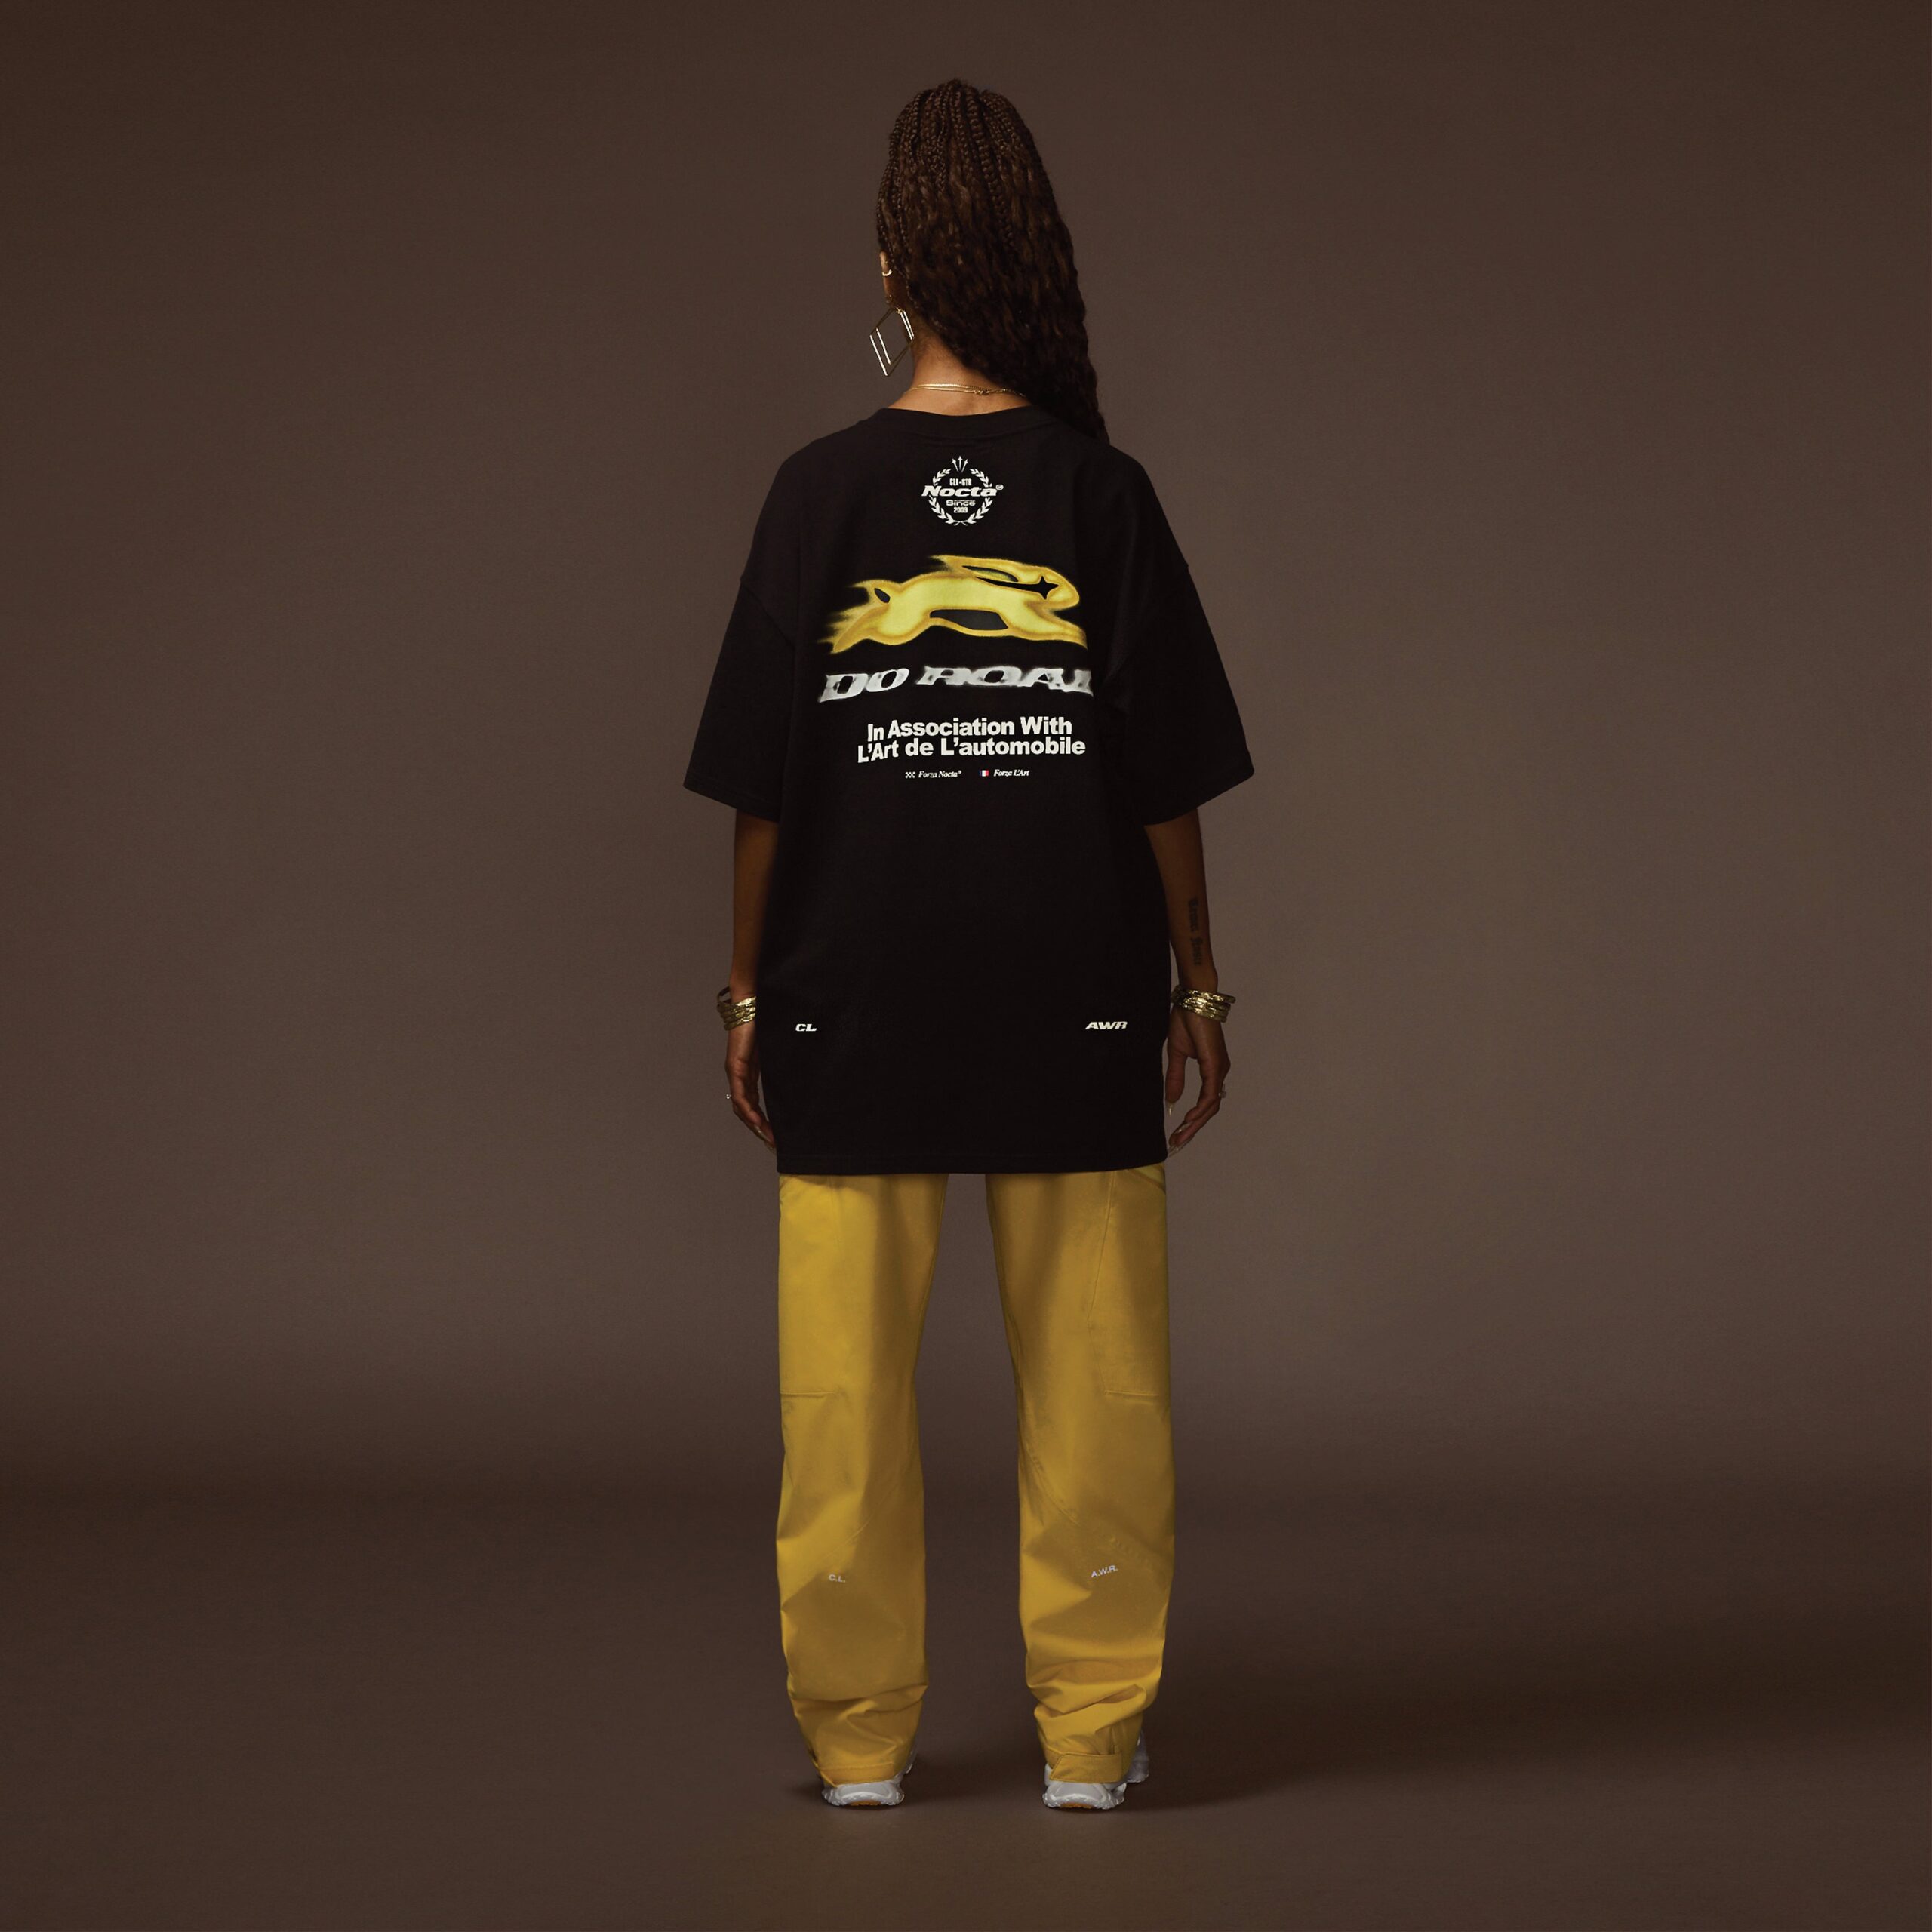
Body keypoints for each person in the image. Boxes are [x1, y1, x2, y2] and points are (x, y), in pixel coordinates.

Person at [682, 78, 1253, 1812]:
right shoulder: (1098, 493)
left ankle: (857, 1745)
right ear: (1028, 258)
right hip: (1068, 988)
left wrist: (746, 991)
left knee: (840, 1397)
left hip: (848, 987)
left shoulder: (816, 493)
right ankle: (1089, 1740)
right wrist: (1196, 981)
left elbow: (763, 789)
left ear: (892, 265)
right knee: (1097, 1389)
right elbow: (1162, 784)